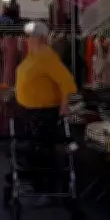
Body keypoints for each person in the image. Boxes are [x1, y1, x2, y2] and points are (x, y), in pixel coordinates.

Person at [14, 21, 77, 194]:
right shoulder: (33, 54)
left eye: (30, 36)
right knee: (32, 151)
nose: (26, 39)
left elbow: (67, 82)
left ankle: (45, 191)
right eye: (26, 35)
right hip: (30, 111)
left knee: (42, 152)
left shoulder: (47, 56)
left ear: (41, 38)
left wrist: (64, 107)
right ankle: (35, 185)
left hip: (43, 113)